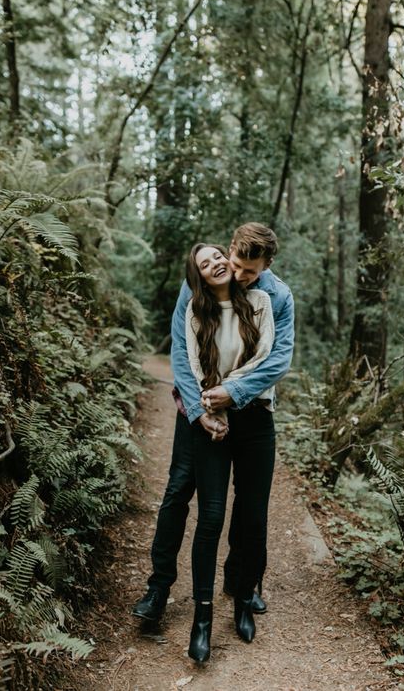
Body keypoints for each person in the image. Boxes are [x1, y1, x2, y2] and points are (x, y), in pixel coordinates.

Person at [132, 223, 294, 626]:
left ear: (267, 266)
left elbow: (278, 359)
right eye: (235, 264)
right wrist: (200, 408)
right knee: (178, 491)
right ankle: (159, 586)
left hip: (249, 407)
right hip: (197, 408)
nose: (238, 276)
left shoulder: (277, 295)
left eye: (250, 272)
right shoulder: (202, 279)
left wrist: (233, 393)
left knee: (249, 502)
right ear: (230, 250)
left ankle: (241, 583)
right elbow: (181, 350)